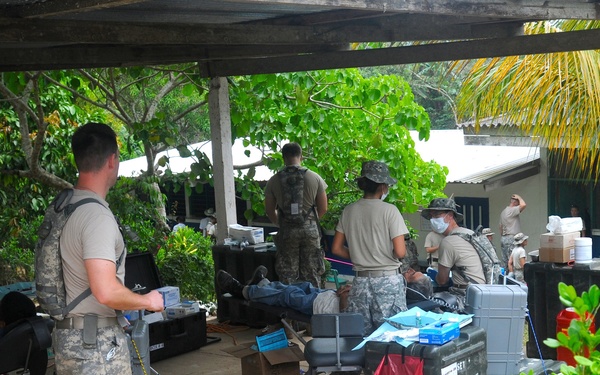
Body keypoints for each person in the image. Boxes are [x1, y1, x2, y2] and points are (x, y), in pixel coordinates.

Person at [53, 122, 164, 375]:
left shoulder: (64, 207)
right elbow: (104, 290)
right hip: (96, 347)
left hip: (69, 340)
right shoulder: (96, 216)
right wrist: (148, 300)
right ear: (112, 160)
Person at [331, 160, 409, 334]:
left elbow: (336, 249)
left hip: (360, 284)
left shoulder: (349, 211)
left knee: (361, 338)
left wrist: (361, 256)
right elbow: (400, 251)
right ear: (382, 186)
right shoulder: (390, 211)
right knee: (392, 337)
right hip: (387, 283)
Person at [216, 266, 432, 316]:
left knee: (287, 295)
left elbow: (350, 319)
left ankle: (242, 290)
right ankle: (260, 285)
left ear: (410, 286)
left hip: (323, 308)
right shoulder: (390, 289)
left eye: (413, 274)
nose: (411, 270)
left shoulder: (392, 304)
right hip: (326, 296)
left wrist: (347, 295)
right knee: (298, 286)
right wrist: (349, 289)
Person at [264, 142, 328, 288]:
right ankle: (313, 305)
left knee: (287, 273)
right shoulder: (315, 177)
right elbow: (323, 208)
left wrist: (281, 224)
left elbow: (269, 210)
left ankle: (288, 307)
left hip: (287, 231)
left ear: (283, 157)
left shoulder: (273, 180)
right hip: (310, 230)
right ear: (301, 156)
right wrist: (309, 223)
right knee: (312, 272)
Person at [421, 197, 485, 312]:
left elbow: (442, 280)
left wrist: (433, 274)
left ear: (450, 215)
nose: (432, 220)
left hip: (466, 295)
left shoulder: (448, 241)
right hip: (483, 291)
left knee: (430, 307)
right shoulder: (470, 234)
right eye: (431, 216)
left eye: (436, 215)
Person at [499, 193, 527, 269]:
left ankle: (505, 278)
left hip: (504, 238)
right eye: (518, 203)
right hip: (511, 238)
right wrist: (519, 197)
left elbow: (500, 227)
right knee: (513, 262)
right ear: (515, 203)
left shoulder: (503, 212)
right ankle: (513, 279)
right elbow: (523, 205)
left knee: (505, 261)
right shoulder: (512, 210)